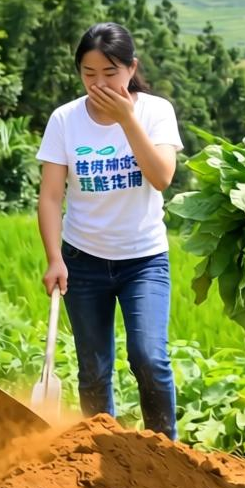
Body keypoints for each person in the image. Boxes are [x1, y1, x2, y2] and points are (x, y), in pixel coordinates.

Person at [36, 22, 183, 438]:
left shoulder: (156, 112)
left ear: (131, 68)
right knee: (94, 370)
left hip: (144, 260)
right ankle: (104, 448)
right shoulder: (65, 120)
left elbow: (161, 177)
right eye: (89, 74)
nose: (98, 84)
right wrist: (54, 258)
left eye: (110, 73)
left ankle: (165, 449)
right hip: (83, 261)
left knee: (149, 358)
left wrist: (126, 120)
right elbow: (50, 196)